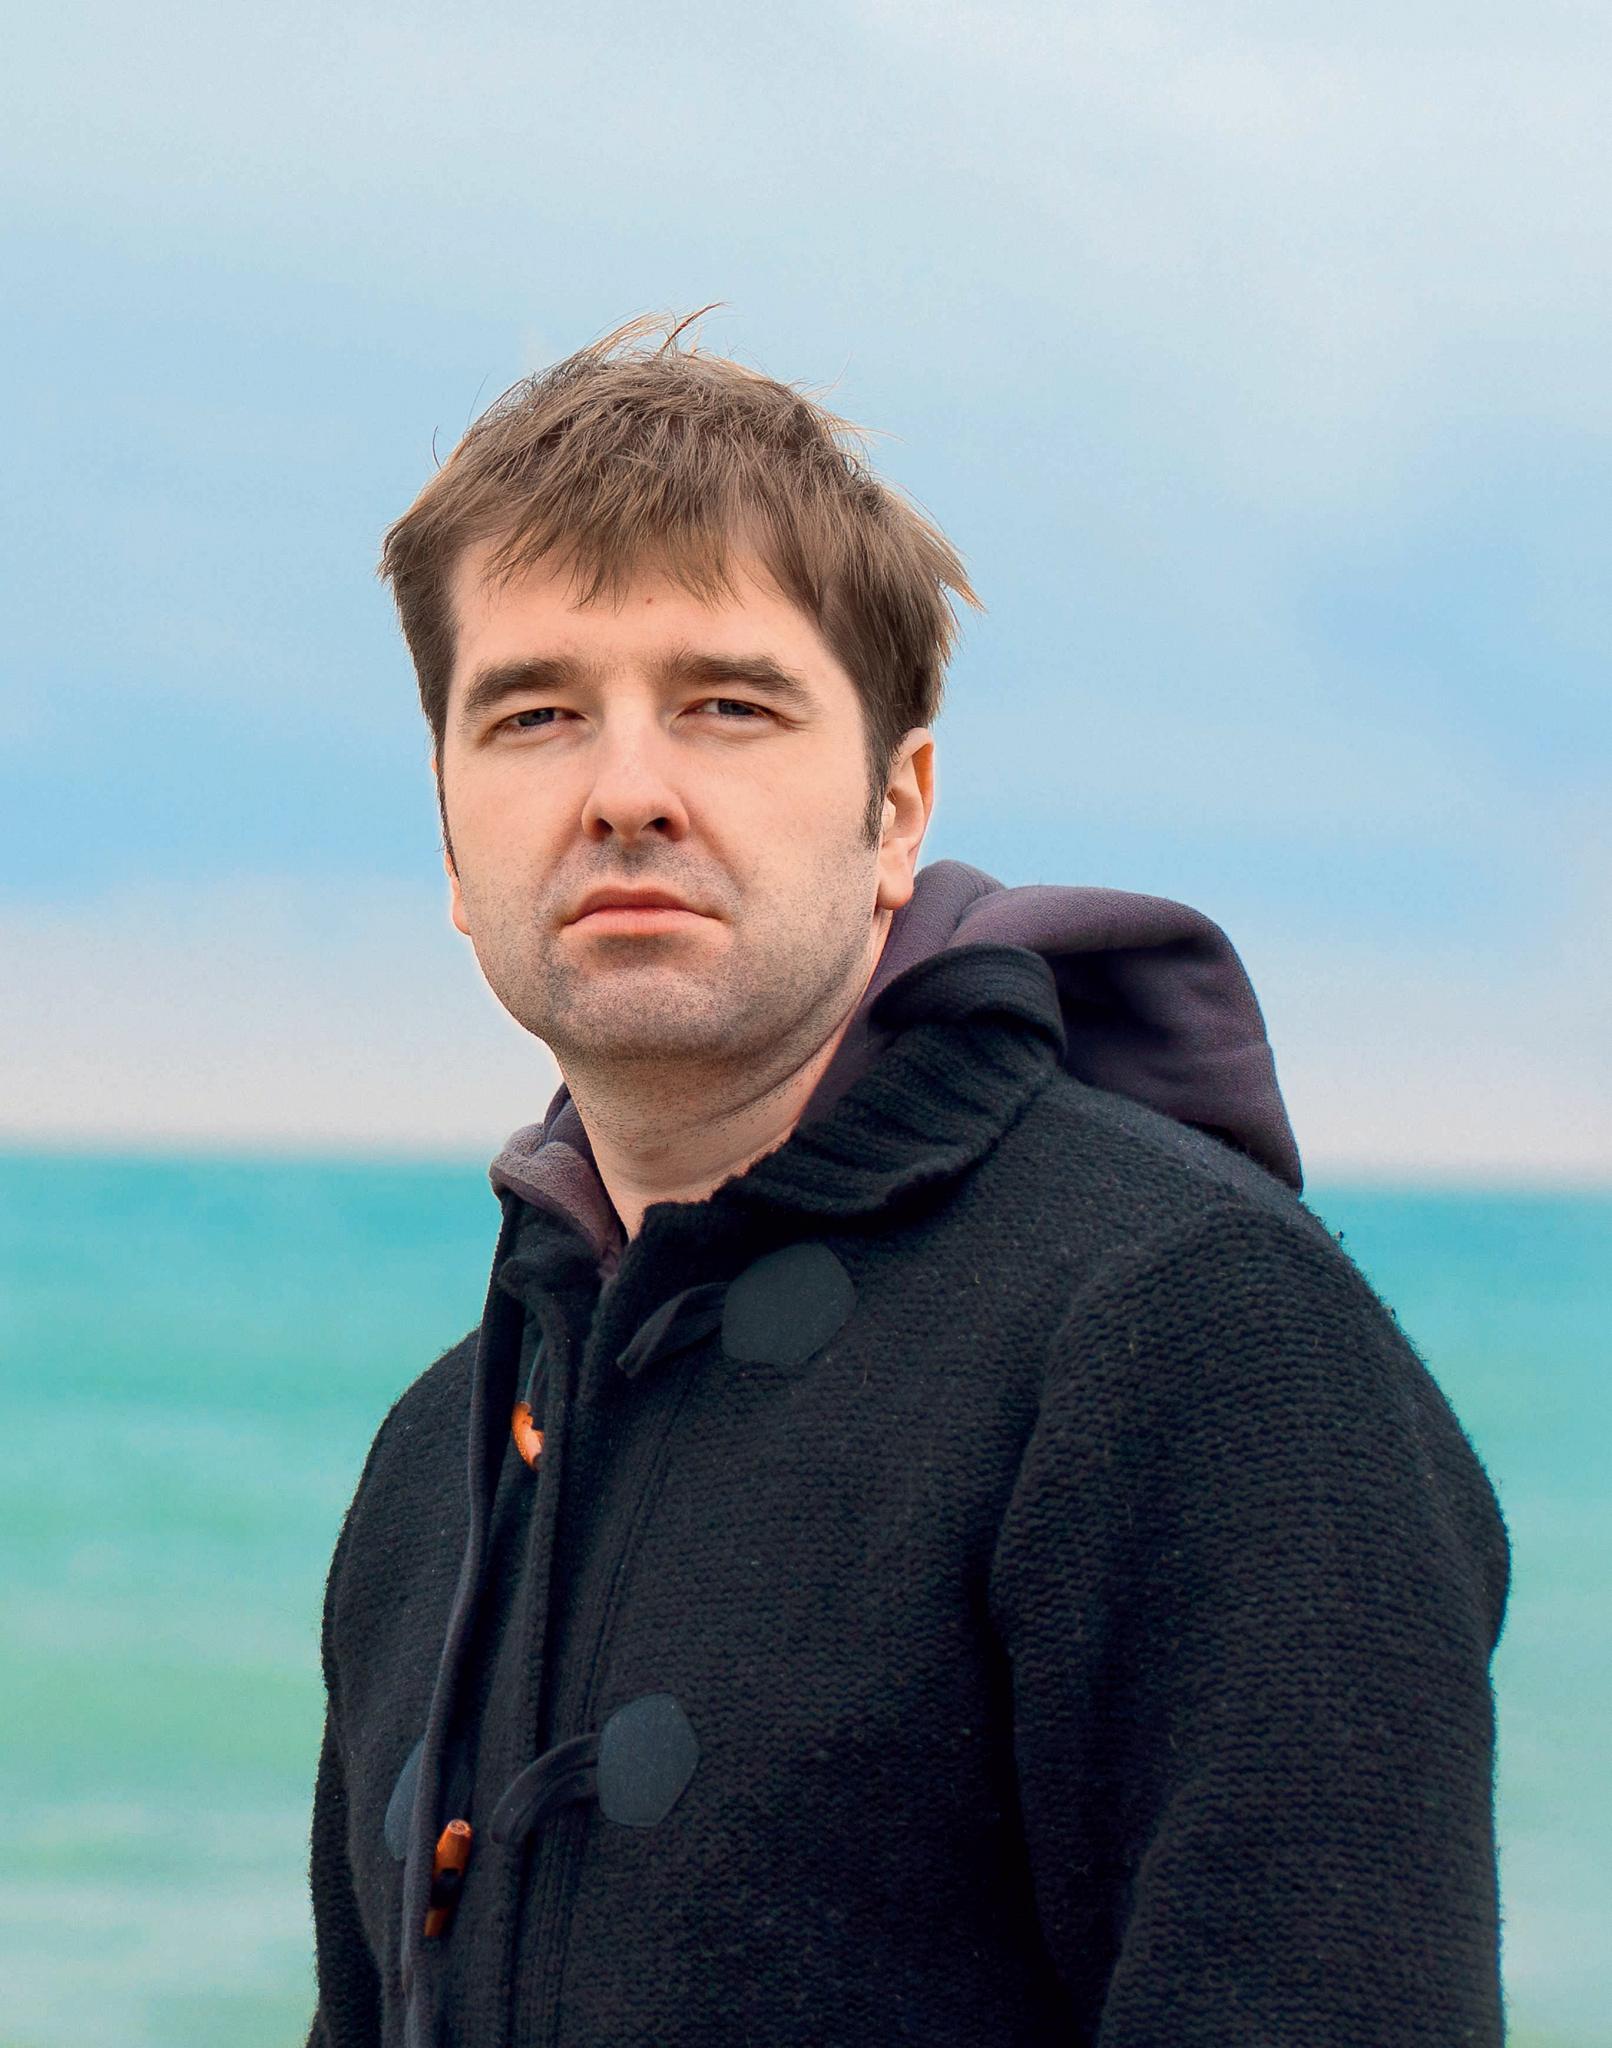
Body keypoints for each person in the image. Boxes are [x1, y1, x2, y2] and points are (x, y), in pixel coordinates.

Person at [306, 312, 1510, 2048]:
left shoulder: (1194, 1337)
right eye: (536, 714)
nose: (626, 791)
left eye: (727, 706)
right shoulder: (443, 1463)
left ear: (897, 809)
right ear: (447, 834)